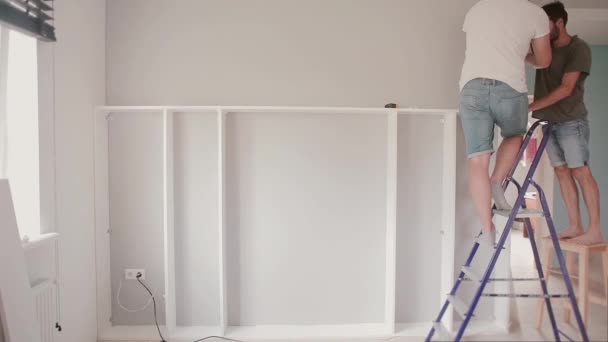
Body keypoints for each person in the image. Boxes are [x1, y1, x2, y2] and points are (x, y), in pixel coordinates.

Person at [459, 0, 552, 245]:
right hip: (509, 87)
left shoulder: (476, 9)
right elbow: (544, 60)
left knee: (478, 160)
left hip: (472, 87)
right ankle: (497, 182)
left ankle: (488, 230)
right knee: (514, 135)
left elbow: (482, 45)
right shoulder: (536, 13)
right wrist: (523, 54)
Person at [530, 1, 603, 245]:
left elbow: (567, 88)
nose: (542, 30)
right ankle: (575, 224)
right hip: (549, 123)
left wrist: (531, 106)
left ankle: (594, 230)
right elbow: (529, 57)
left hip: (572, 121)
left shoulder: (578, 48)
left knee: (580, 172)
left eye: (546, 24)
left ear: (559, 22)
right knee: (561, 172)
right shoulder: (545, 48)